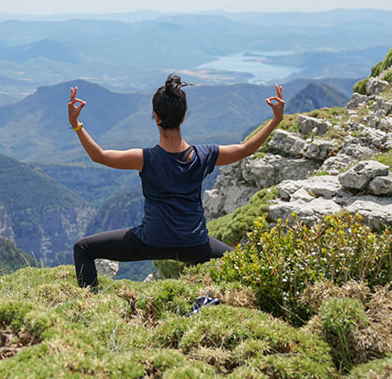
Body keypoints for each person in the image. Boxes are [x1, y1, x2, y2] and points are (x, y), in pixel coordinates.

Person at [68, 75, 285, 288]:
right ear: (183, 117)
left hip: (151, 241)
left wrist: (76, 124)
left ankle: (91, 307)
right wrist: (276, 120)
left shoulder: (145, 159)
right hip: (195, 245)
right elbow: (245, 149)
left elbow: (99, 155)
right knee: (242, 263)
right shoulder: (204, 155)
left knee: (83, 248)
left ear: (156, 117)